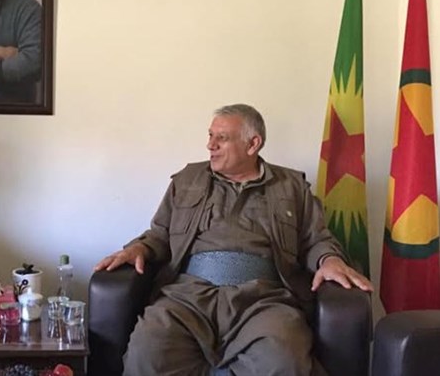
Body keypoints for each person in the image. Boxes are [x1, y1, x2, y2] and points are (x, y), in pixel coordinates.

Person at [94, 104, 373, 376]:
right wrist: (139, 248)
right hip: (187, 296)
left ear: (253, 144)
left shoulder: (291, 186)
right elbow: (160, 234)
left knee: (283, 356)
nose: (210, 145)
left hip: (263, 299)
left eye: (222, 138)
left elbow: (316, 239)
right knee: (149, 349)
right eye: (210, 135)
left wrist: (330, 260)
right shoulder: (187, 180)